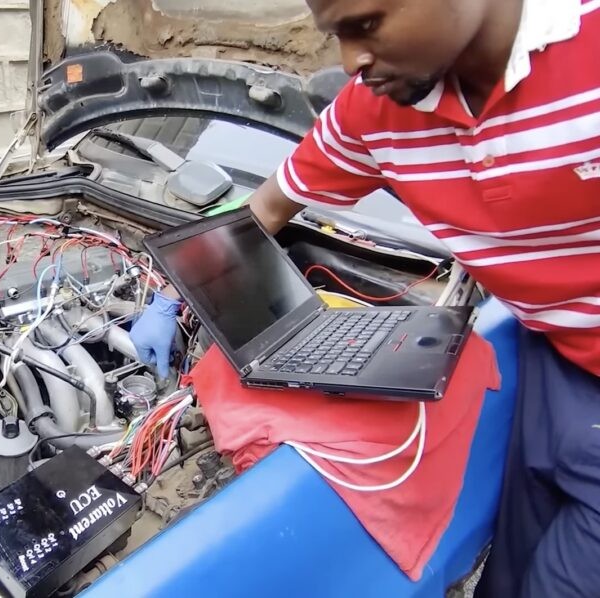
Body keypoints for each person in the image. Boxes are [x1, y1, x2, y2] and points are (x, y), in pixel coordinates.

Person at [129, 0, 600, 595]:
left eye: (368, 23)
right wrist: (175, 294)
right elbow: (268, 206)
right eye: (336, 35)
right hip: (552, 350)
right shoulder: (373, 111)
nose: (353, 61)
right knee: (510, 567)